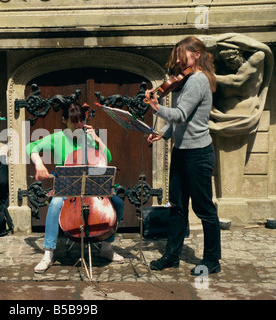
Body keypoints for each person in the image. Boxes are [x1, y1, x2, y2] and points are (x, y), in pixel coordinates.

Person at [145, 36, 221, 276]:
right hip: (182, 151)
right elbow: (185, 121)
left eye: (182, 54)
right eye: (177, 55)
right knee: (177, 206)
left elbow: (180, 114)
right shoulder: (188, 79)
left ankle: (212, 259)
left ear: (196, 54)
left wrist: (157, 108)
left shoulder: (198, 81)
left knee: (204, 208)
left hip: (198, 154)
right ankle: (172, 255)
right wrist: (164, 134)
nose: (178, 60)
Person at [26, 102, 125, 273]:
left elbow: (106, 156)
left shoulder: (88, 137)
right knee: (55, 204)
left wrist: (97, 139)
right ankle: (48, 254)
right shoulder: (57, 138)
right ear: (64, 120)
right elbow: (31, 147)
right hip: (68, 188)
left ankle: (106, 248)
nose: (79, 125)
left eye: (81, 120)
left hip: (92, 189)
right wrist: (39, 163)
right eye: (74, 121)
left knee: (118, 202)